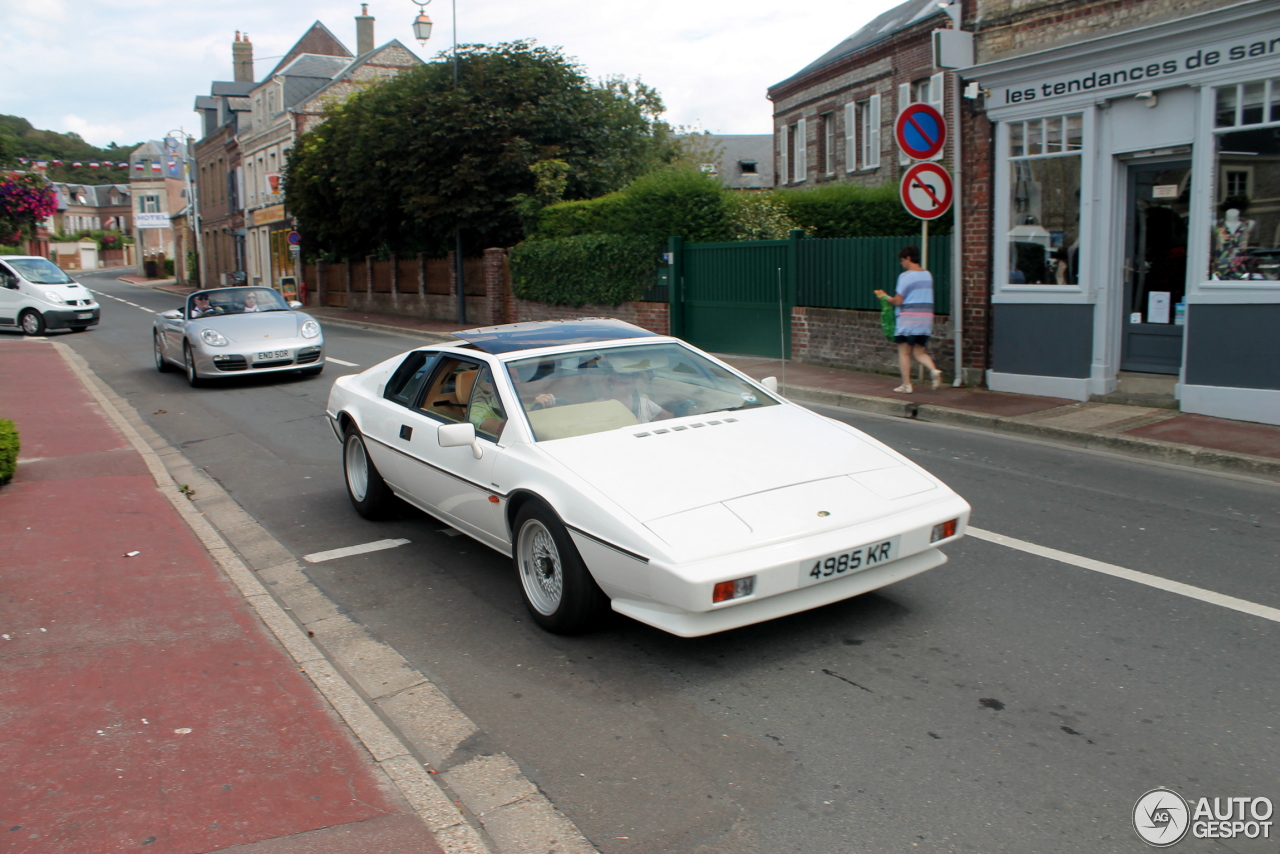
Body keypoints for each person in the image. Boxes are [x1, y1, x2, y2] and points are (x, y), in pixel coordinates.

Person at [874, 245, 942, 394]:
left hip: (908, 319)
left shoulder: (905, 276)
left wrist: (884, 297)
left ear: (908, 258)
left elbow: (898, 301)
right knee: (919, 352)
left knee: (904, 352)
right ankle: (934, 370)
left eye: (902, 260)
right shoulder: (927, 275)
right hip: (925, 320)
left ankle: (907, 385)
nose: (902, 263)